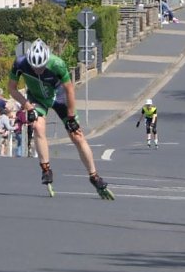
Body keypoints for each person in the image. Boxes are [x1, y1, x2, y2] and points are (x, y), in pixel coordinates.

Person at [7, 39, 113, 198]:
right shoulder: (20, 63)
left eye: (41, 67)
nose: (38, 70)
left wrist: (71, 116)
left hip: (60, 97)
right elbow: (12, 88)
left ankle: (94, 176)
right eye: (35, 67)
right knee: (37, 126)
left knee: (77, 135)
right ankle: (46, 169)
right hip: (37, 98)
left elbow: (70, 90)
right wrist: (27, 106)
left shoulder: (57, 64)